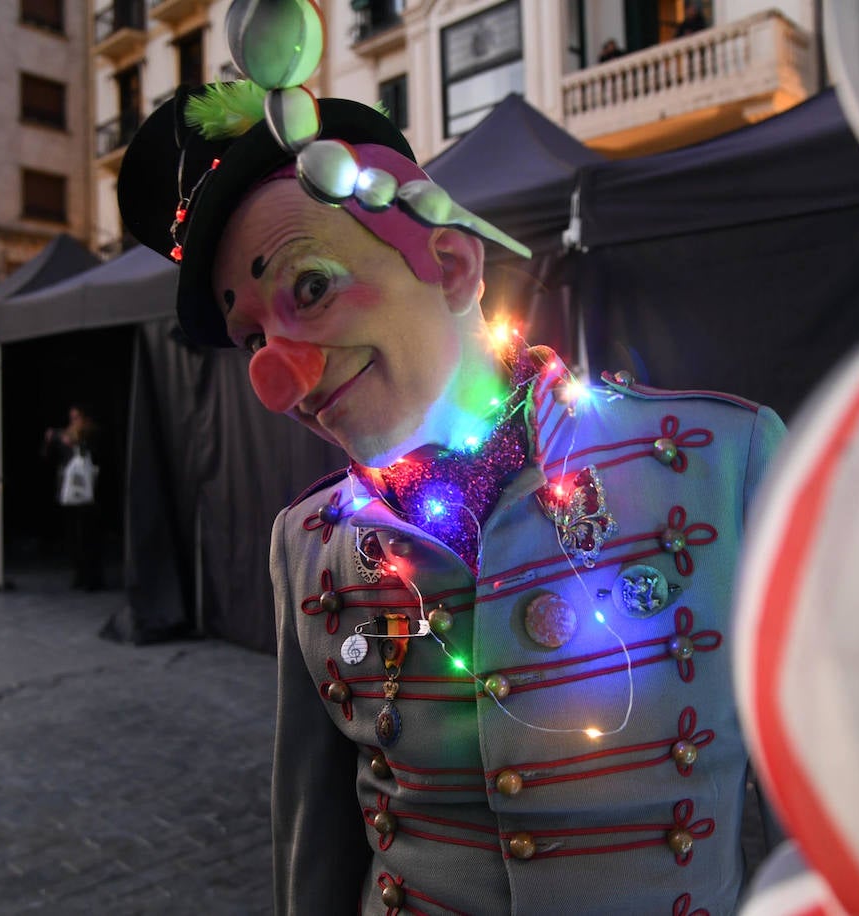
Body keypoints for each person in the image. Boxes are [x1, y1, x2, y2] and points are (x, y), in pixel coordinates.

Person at [117, 36, 784, 915]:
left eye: (308, 289)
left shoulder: (720, 461)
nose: (279, 379)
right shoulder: (306, 551)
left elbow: (819, 822)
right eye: (251, 343)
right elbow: (310, 852)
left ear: (450, 262)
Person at [43, 405, 103, 591]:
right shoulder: (66, 435)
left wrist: (75, 443)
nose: (74, 421)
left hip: (88, 493)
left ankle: (93, 577)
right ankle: (79, 574)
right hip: (69, 492)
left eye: (77, 417)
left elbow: (91, 456)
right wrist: (50, 441)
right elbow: (47, 456)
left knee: (88, 536)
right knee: (73, 536)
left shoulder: (90, 434)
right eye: (72, 418)